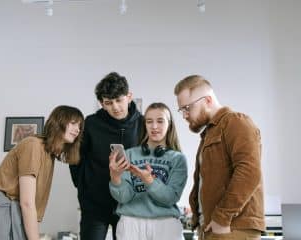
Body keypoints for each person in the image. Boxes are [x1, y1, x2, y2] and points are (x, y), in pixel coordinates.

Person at [174, 75, 265, 240]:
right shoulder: (209, 133)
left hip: (231, 229)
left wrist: (222, 218)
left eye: (187, 108)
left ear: (207, 100)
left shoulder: (236, 123)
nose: (185, 115)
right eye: (182, 110)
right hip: (212, 228)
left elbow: (249, 172)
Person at [0, 105, 84, 240]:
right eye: (73, 123)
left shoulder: (49, 155)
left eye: (80, 126)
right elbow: (27, 202)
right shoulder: (34, 145)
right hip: (1, 208)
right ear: (59, 122)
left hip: (13, 209)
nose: (77, 130)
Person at [69, 72, 143, 240]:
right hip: (94, 205)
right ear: (101, 103)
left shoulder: (143, 124)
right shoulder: (91, 123)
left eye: (119, 100)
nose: (115, 107)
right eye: (108, 103)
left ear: (129, 96)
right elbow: (75, 157)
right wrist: (82, 186)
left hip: (129, 206)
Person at [109, 102, 188, 240]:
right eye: (149, 121)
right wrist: (115, 177)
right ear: (144, 125)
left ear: (169, 124)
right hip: (131, 223)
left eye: (160, 121)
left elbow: (170, 197)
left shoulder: (178, 159)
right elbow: (123, 197)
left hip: (166, 224)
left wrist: (149, 181)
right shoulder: (129, 155)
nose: (154, 126)